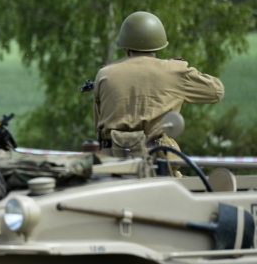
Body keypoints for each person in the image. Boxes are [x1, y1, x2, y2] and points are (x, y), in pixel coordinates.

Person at [93, 11, 224, 156]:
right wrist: (179, 71)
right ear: (157, 46)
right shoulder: (174, 71)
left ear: (127, 49)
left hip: (110, 161)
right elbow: (216, 91)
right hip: (156, 160)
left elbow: (98, 125)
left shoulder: (104, 74)